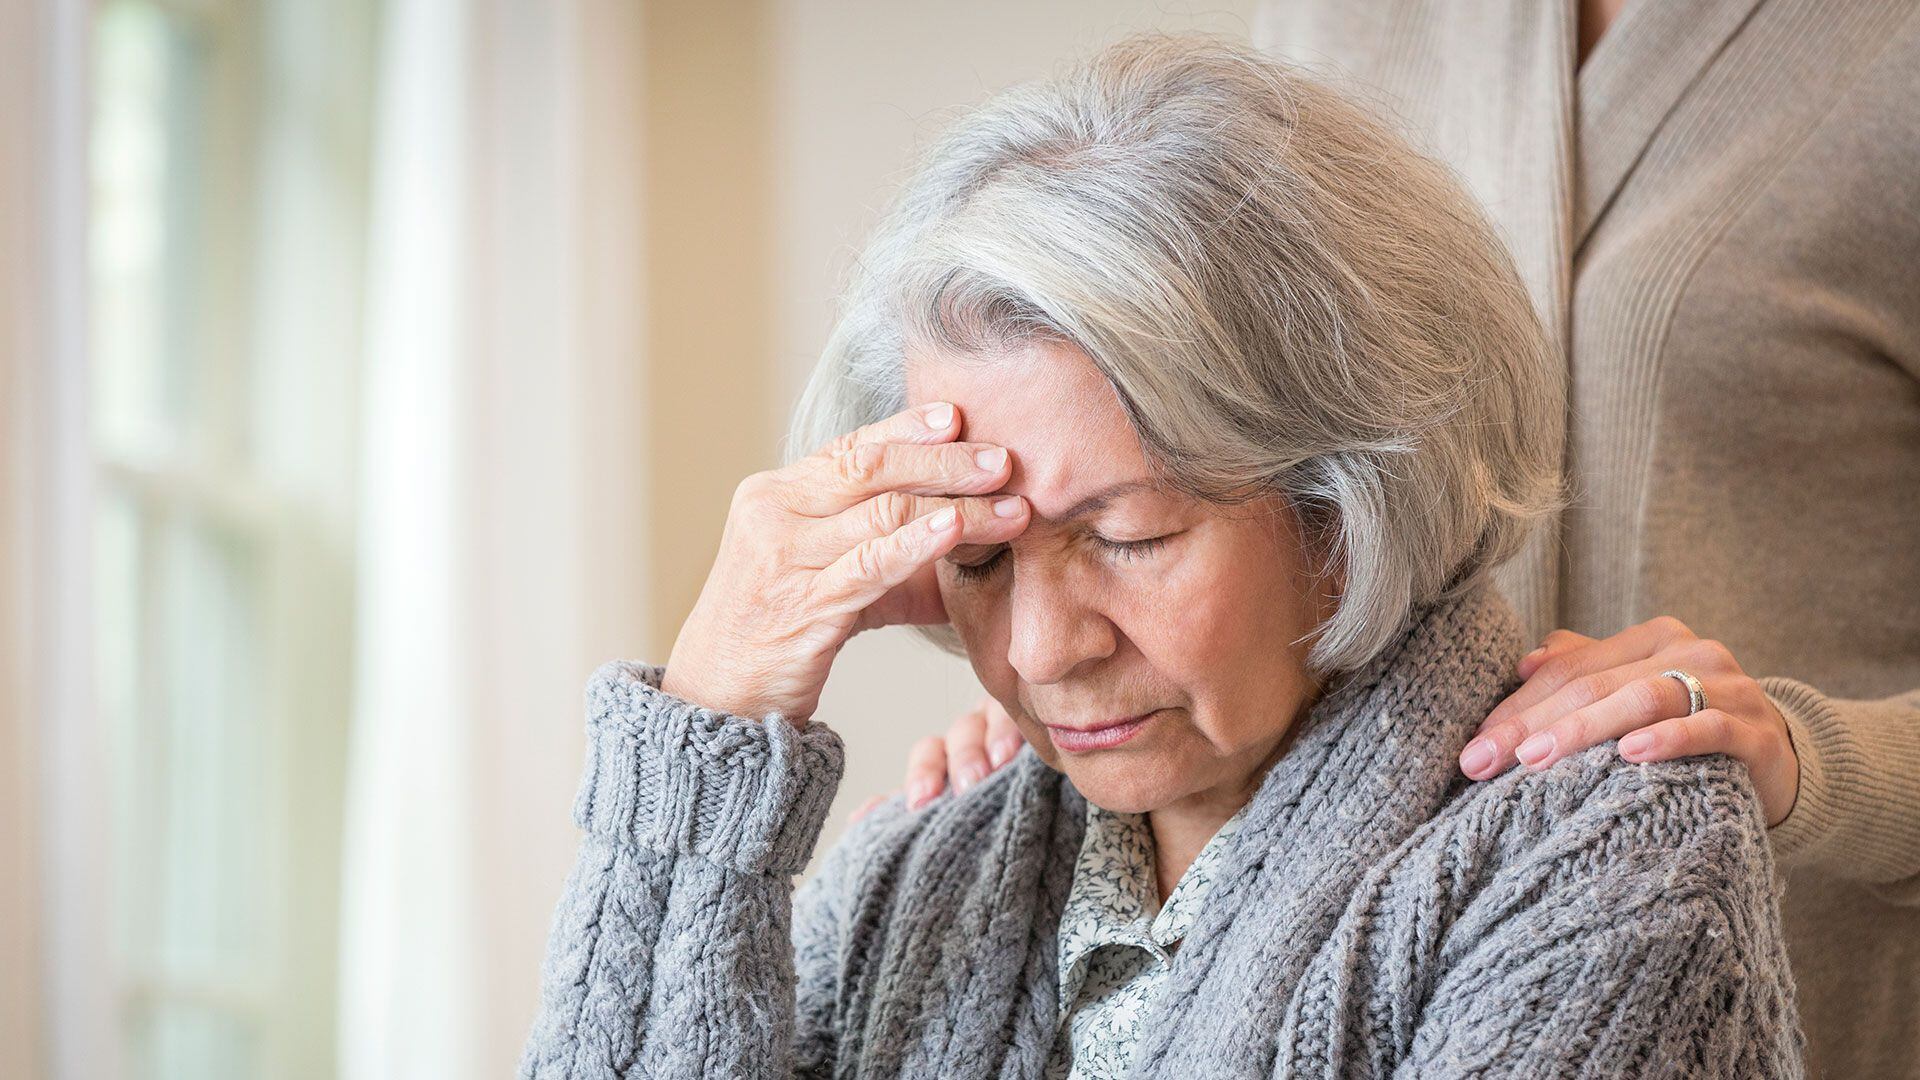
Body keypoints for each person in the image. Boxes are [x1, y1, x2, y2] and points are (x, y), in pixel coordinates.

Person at [518, 33, 1803, 1078]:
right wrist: (705, 743)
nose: (1038, 651)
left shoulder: (1615, 867)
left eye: (1128, 539)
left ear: (1348, 507)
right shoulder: (911, 875)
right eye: (978, 559)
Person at [898, 4, 1920, 1075]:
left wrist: (1817, 768)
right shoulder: (1342, 23)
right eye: (981, 557)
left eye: (1137, 534)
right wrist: (1084, 691)